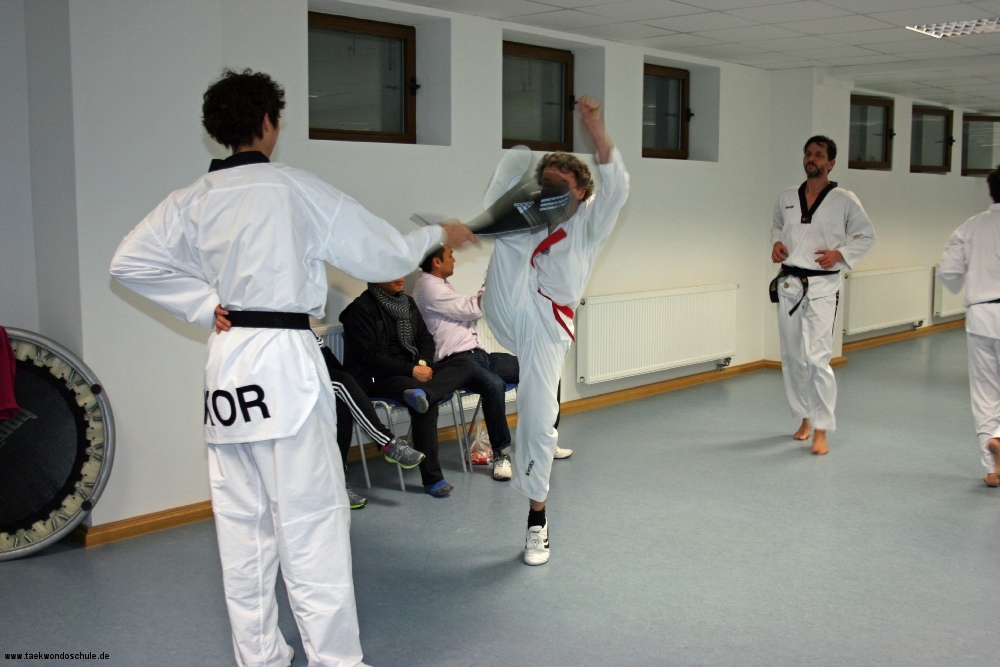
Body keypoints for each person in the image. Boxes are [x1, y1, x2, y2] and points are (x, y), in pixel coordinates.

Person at [110, 69, 475, 667]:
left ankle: (259, 657)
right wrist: (438, 232)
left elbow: (128, 262)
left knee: (243, 530)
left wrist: (202, 305)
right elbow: (381, 253)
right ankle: (336, 660)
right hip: (282, 362)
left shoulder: (191, 200)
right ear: (268, 123)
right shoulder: (292, 189)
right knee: (312, 526)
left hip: (227, 367)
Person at [480, 95, 629, 565]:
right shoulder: (532, 215)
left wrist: (595, 127)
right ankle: (501, 200)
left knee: (538, 417)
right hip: (511, 306)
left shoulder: (589, 221)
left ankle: (537, 521)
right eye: (545, 185)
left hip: (548, 324)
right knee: (509, 236)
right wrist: (472, 228)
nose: (552, 194)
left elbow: (618, 184)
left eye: (561, 187)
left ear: (581, 192)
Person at [770, 135, 875, 456]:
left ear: (831, 163)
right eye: (808, 153)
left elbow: (866, 235)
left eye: (818, 154)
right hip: (790, 283)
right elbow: (777, 225)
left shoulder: (844, 200)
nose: (811, 159)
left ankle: (822, 428)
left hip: (823, 286)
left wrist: (840, 254)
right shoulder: (787, 196)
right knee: (792, 356)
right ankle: (804, 417)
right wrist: (776, 243)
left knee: (817, 358)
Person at [340, 279, 475, 497]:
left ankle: (426, 393)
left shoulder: (408, 303)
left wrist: (422, 364)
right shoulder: (360, 309)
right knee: (425, 405)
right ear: (376, 276)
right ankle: (433, 479)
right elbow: (370, 358)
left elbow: (426, 340)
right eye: (392, 272)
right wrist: (411, 370)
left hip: (414, 370)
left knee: (465, 365)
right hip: (379, 377)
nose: (400, 277)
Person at [415, 246, 535, 482]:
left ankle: (544, 437)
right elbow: (473, 309)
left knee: (536, 368)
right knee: (494, 384)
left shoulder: (441, 285)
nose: (454, 259)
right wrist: (490, 282)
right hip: (457, 362)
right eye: (450, 255)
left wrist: (488, 286)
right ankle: (501, 455)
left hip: (479, 355)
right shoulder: (428, 286)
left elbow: (472, 310)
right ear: (436, 262)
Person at [937, 164, 1000, 488]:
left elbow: (947, 272)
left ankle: (992, 467)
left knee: (985, 393)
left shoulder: (971, 226)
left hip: (981, 315)